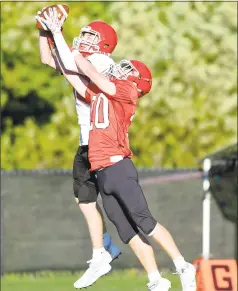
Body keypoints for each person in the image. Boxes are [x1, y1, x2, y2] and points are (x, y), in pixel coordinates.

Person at [38, 8, 197, 291]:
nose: (121, 68)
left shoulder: (123, 92)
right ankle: (155, 280)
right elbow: (74, 77)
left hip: (117, 165)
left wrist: (61, 36)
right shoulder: (103, 91)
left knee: (144, 222)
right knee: (126, 231)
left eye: (128, 70)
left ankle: (183, 266)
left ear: (137, 82)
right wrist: (48, 36)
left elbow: (88, 72)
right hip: (101, 168)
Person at [35, 8, 121, 288]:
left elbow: (71, 63)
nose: (83, 38)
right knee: (85, 201)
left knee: (107, 206)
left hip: (101, 143)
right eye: (83, 33)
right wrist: (43, 31)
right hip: (88, 143)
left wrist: (56, 31)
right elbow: (48, 59)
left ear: (104, 43)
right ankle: (106, 247)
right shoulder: (84, 58)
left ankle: (101, 255)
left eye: (89, 35)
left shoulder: (100, 60)